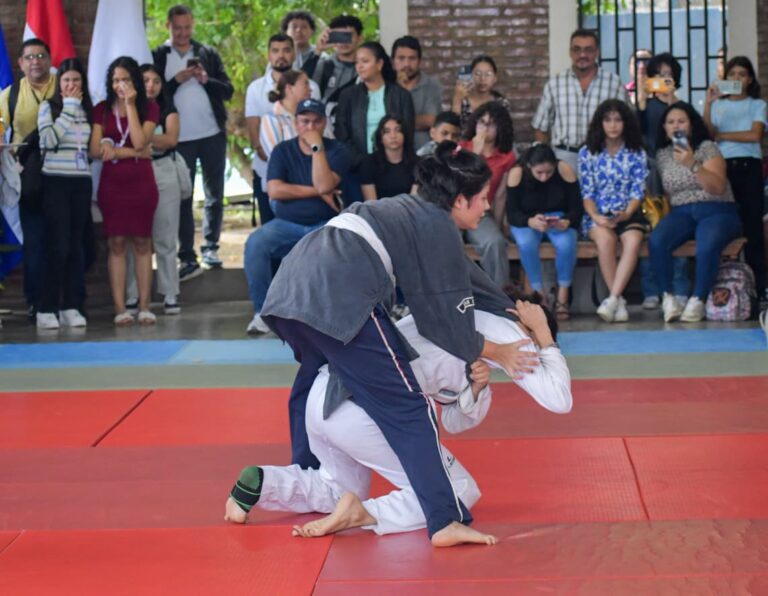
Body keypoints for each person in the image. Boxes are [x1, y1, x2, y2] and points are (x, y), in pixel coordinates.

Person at [256, 142, 539, 546]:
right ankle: (444, 519)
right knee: (408, 404)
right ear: (459, 200)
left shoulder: (410, 209)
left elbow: (468, 278)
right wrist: (497, 351)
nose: (486, 208)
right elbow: (442, 318)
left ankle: (305, 472)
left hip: (292, 284)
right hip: (340, 286)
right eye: (481, 199)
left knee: (314, 374)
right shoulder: (438, 225)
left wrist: (510, 311)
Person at [225, 299, 572, 544]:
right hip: (362, 409)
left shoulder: (452, 312)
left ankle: (263, 483)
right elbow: (559, 399)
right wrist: (543, 332)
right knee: (458, 491)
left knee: (336, 489)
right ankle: (366, 513)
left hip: (322, 398)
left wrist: (478, 388)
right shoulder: (512, 333)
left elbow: (453, 419)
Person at [243, 99, 351, 335]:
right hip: (286, 224)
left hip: (324, 224)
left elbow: (324, 183)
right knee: (255, 244)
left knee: (342, 247)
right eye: (305, 121)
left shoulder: (338, 150)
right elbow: (275, 190)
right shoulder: (282, 150)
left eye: (316, 122)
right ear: (295, 123)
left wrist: (317, 149)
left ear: (324, 123)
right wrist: (319, 192)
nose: (310, 127)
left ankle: (332, 315)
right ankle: (263, 313)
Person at [152, 4, 234, 278]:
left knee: (214, 195)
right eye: (177, 28)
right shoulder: (158, 56)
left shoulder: (207, 53)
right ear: (168, 27)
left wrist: (205, 79)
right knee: (182, 197)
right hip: (178, 139)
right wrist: (176, 80)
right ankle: (187, 255)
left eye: (187, 28)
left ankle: (211, 247)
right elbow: (152, 96)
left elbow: (228, 90)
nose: (183, 33)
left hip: (212, 134)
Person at [649, 101, 742, 323]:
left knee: (706, 241)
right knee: (657, 240)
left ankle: (698, 299)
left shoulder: (707, 147)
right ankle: (667, 297)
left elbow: (717, 187)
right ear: (664, 127)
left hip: (716, 208)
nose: (676, 126)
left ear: (691, 124)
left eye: (681, 121)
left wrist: (692, 163)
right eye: (670, 122)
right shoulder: (663, 155)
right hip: (682, 212)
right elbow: (669, 192)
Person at [90, 56, 159, 326]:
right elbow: (95, 150)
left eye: (126, 80)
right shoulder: (101, 109)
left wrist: (130, 105)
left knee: (142, 242)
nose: (120, 85)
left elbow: (141, 141)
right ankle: (120, 308)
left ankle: (144, 306)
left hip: (141, 184)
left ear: (135, 82)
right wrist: (131, 153)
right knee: (116, 243)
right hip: (112, 184)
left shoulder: (149, 107)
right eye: (116, 80)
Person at [0, 38, 56, 320]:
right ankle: (36, 302)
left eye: (41, 56)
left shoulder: (64, 86)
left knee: (65, 242)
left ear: (50, 60)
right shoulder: (9, 95)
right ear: (21, 63)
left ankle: (64, 302)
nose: (36, 61)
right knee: (34, 243)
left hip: (64, 177)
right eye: (30, 57)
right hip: (29, 179)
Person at [35, 58, 93, 330]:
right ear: (59, 84)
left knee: (75, 245)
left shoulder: (89, 110)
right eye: (67, 80)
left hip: (81, 181)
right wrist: (69, 109)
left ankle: (71, 305)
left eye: (76, 80)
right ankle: (46, 307)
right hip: (55, 181)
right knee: (58, 245)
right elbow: (48, 140)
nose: (71, 85)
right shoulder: (49, 107)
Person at [579, 99, 648, 323]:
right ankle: (617, 300)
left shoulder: (636, 152)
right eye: (608, 120)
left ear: (626, 123)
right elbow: (587, 193)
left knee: (633, 240)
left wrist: (626, 214)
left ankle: (613, 299)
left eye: (618, 120)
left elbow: (637, 191)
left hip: (628, 213)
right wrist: (597, 217)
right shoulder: (588, 152)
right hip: (597, 214)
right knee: (606, 240)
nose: (613, 125)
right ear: (600, 123)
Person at [704, 56, 766, 302]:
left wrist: (723, 135)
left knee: (752, 227)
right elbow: (708, 134)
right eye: (732, 74)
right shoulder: (719, 105)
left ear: (750, 79)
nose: (737, 78)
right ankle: (722, 289)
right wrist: (709, 104)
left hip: (749, 167)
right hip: (723, 167)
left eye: (742, 74)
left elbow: (755, 135)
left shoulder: (757, 104)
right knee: (724, 222)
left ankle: (761, 288)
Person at [125, 64, 184, 316]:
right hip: (135, 171)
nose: (150, 85)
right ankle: (133, 295)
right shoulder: (129, 109)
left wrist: (141, 136)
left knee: (165, 236)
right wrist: (141, 139)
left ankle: (170, 293)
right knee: (134, 237)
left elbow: (171, 139)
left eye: (156, 81)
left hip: (163, 171)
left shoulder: (168, 108)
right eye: (146, 80)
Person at [246, 34, 320, 227]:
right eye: (275, 51)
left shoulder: (311, 86)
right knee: (272, 229)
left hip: (311, 175)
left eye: (286, 50)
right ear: (268, 55)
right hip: (267, 171)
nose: (281, 55)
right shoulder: (255, 89)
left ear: (294, 53)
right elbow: (253, 128)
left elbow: (318, 128)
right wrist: (277, 164)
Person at [637, 53, 690, 310]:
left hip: (677, 173)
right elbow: (636, 135)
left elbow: (684, 144)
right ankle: (651, 290)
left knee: (678, 229)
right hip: (649, 174)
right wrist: (640, 98)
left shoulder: (682, 108)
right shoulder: (644, 105)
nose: (663, 79)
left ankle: (679, 288)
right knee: (650, 228)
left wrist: (672, 104)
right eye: (658, 74)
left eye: (668, 75)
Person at [532, 29, 629, 171]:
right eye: (577, 49)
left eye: (588, 50)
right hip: (563, 158)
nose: (582, 55)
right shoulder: (555, 84)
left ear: (597, 52)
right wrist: (544, 159)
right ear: (570, 52)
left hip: (602, 156)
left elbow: (628, 122)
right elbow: (541, 127)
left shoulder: (613, 83)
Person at [506, 144, 582, 320]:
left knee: (566, 244)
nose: (544, 177)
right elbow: (512, 212)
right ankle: (539, 293)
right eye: (539, 172)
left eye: (549, 172)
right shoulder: (517, 173)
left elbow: (577, 207)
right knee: (526, 244)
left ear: (555, 166)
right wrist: (529, 221)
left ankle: (563, 294)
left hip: (558, 218)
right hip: (527, 220)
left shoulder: (564, 169)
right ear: (529, 166)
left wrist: (567, 221)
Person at [459, 102, 517, 287]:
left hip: (481, 213)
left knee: (495, 242)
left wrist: (497, 225)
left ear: (500, 128)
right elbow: (460, 183)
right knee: (446, 242)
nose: (485, 128)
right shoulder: (461, 148)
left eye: (491, 124)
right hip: (454, 209)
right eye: (481, 122)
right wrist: (475, 153)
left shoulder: (506, 157)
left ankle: (500, 295)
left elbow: (500, 196)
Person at [335, 41, 415, 165]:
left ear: (379, 64)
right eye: (357, 62)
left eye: (365, 61)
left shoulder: (401, 95)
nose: (359, 66)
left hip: (394, 163)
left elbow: (407, 132)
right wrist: (360, 161)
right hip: (357, 164)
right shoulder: (347, 96)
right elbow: (342, 134)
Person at [392, 35, 442, 149]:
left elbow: (432, 120)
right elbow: (385, 121)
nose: (406, 64)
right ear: (393, 61)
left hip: (424, 151)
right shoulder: (388, 86)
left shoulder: (431, 84)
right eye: (401, 58)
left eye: (412, 58)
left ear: (419, 61)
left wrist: (399, 123)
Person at [311, 15, 363, 110]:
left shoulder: (368, 67)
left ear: (360, 38)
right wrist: (318, 50)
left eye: (347, 36)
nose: (342, 42)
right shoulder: (323, 65)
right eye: (338, 37)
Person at [259, 70, 313, 162]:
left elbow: (321, 146)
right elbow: (277, 158)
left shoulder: (312, 116)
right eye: (305, 84)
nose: (310, 89)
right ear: (289, 88)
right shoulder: (272, 119)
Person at [360, 115, 417, 200]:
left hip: (409, 208)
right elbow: (371, 203)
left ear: (405, 135)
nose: (393, 136)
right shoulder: (368, 163)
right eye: (387, 131)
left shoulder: (418, 164)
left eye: (398, 130)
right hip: (377, 208)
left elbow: (414, 202)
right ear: (380, 138)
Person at [451, 55, 511, 129]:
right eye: (477, 74)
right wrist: (457, 101)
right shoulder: (462, 100)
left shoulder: (501, 103)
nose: (482, 78)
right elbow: (452, 128)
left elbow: (505, 130)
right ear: (471, 76)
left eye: (488, 74)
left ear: (495, 78)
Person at [281, 10, 320, 75]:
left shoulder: (321, 57)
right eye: (294, 27)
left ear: (312, 31)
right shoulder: (278, 56)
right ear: (286, 32)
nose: (299, 30)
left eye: (304, 27)